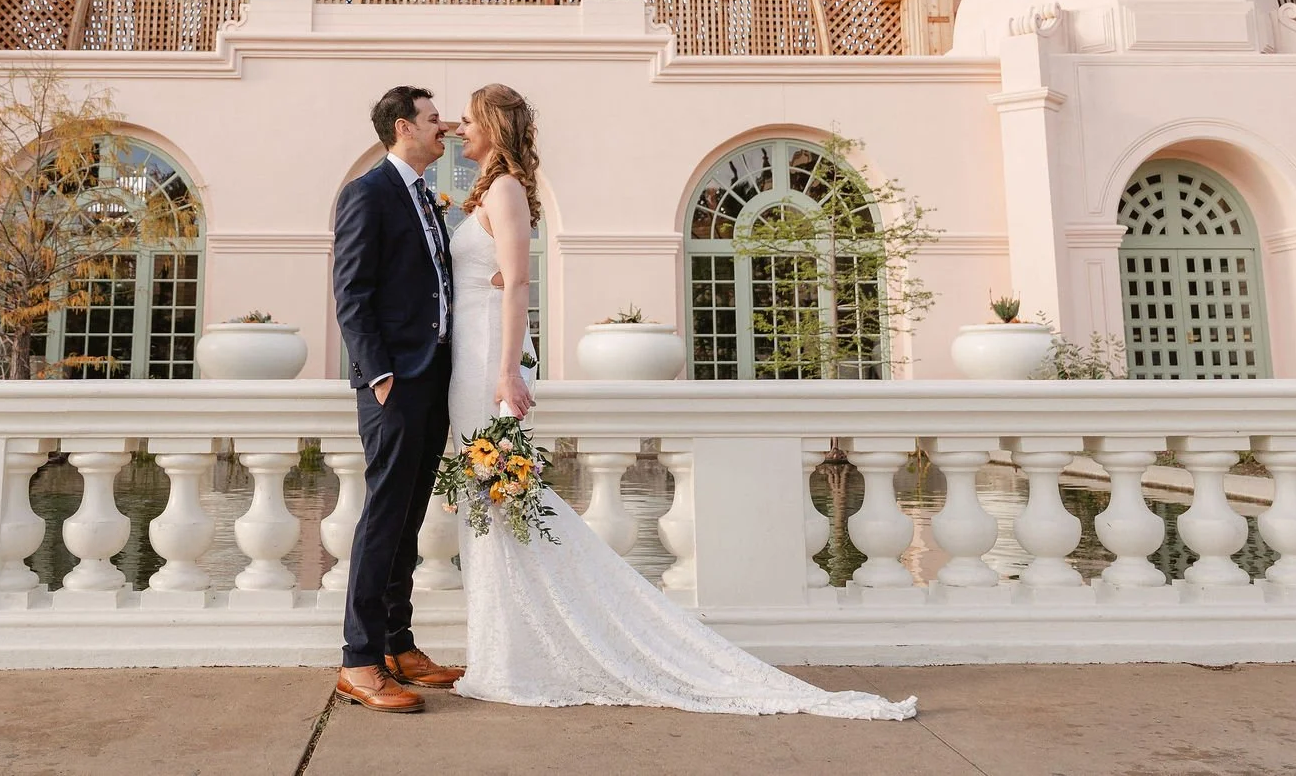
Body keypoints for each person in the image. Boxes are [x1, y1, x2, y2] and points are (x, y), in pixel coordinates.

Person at [444, 82, 917, 720]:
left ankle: (515, 656)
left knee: (500, 498)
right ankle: (503, 650)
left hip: (485, 366)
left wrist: (507, 372)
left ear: (494, 129)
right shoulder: (491, 191)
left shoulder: (503, 192)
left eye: (468, 120)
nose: (456, 128)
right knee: (492, 501)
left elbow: (519, 284)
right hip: (469, 360)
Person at [330, 86, 467, 713]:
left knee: (410, 516)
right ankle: (358, 661)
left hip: (433, 375)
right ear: (402, 127)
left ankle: (396, 644)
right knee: (384, 516)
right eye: (435, 119)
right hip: (394, 381)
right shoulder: (368, 193)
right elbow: (353, 293)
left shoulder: (423, 197)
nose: (446, 127)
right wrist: (379, 372)